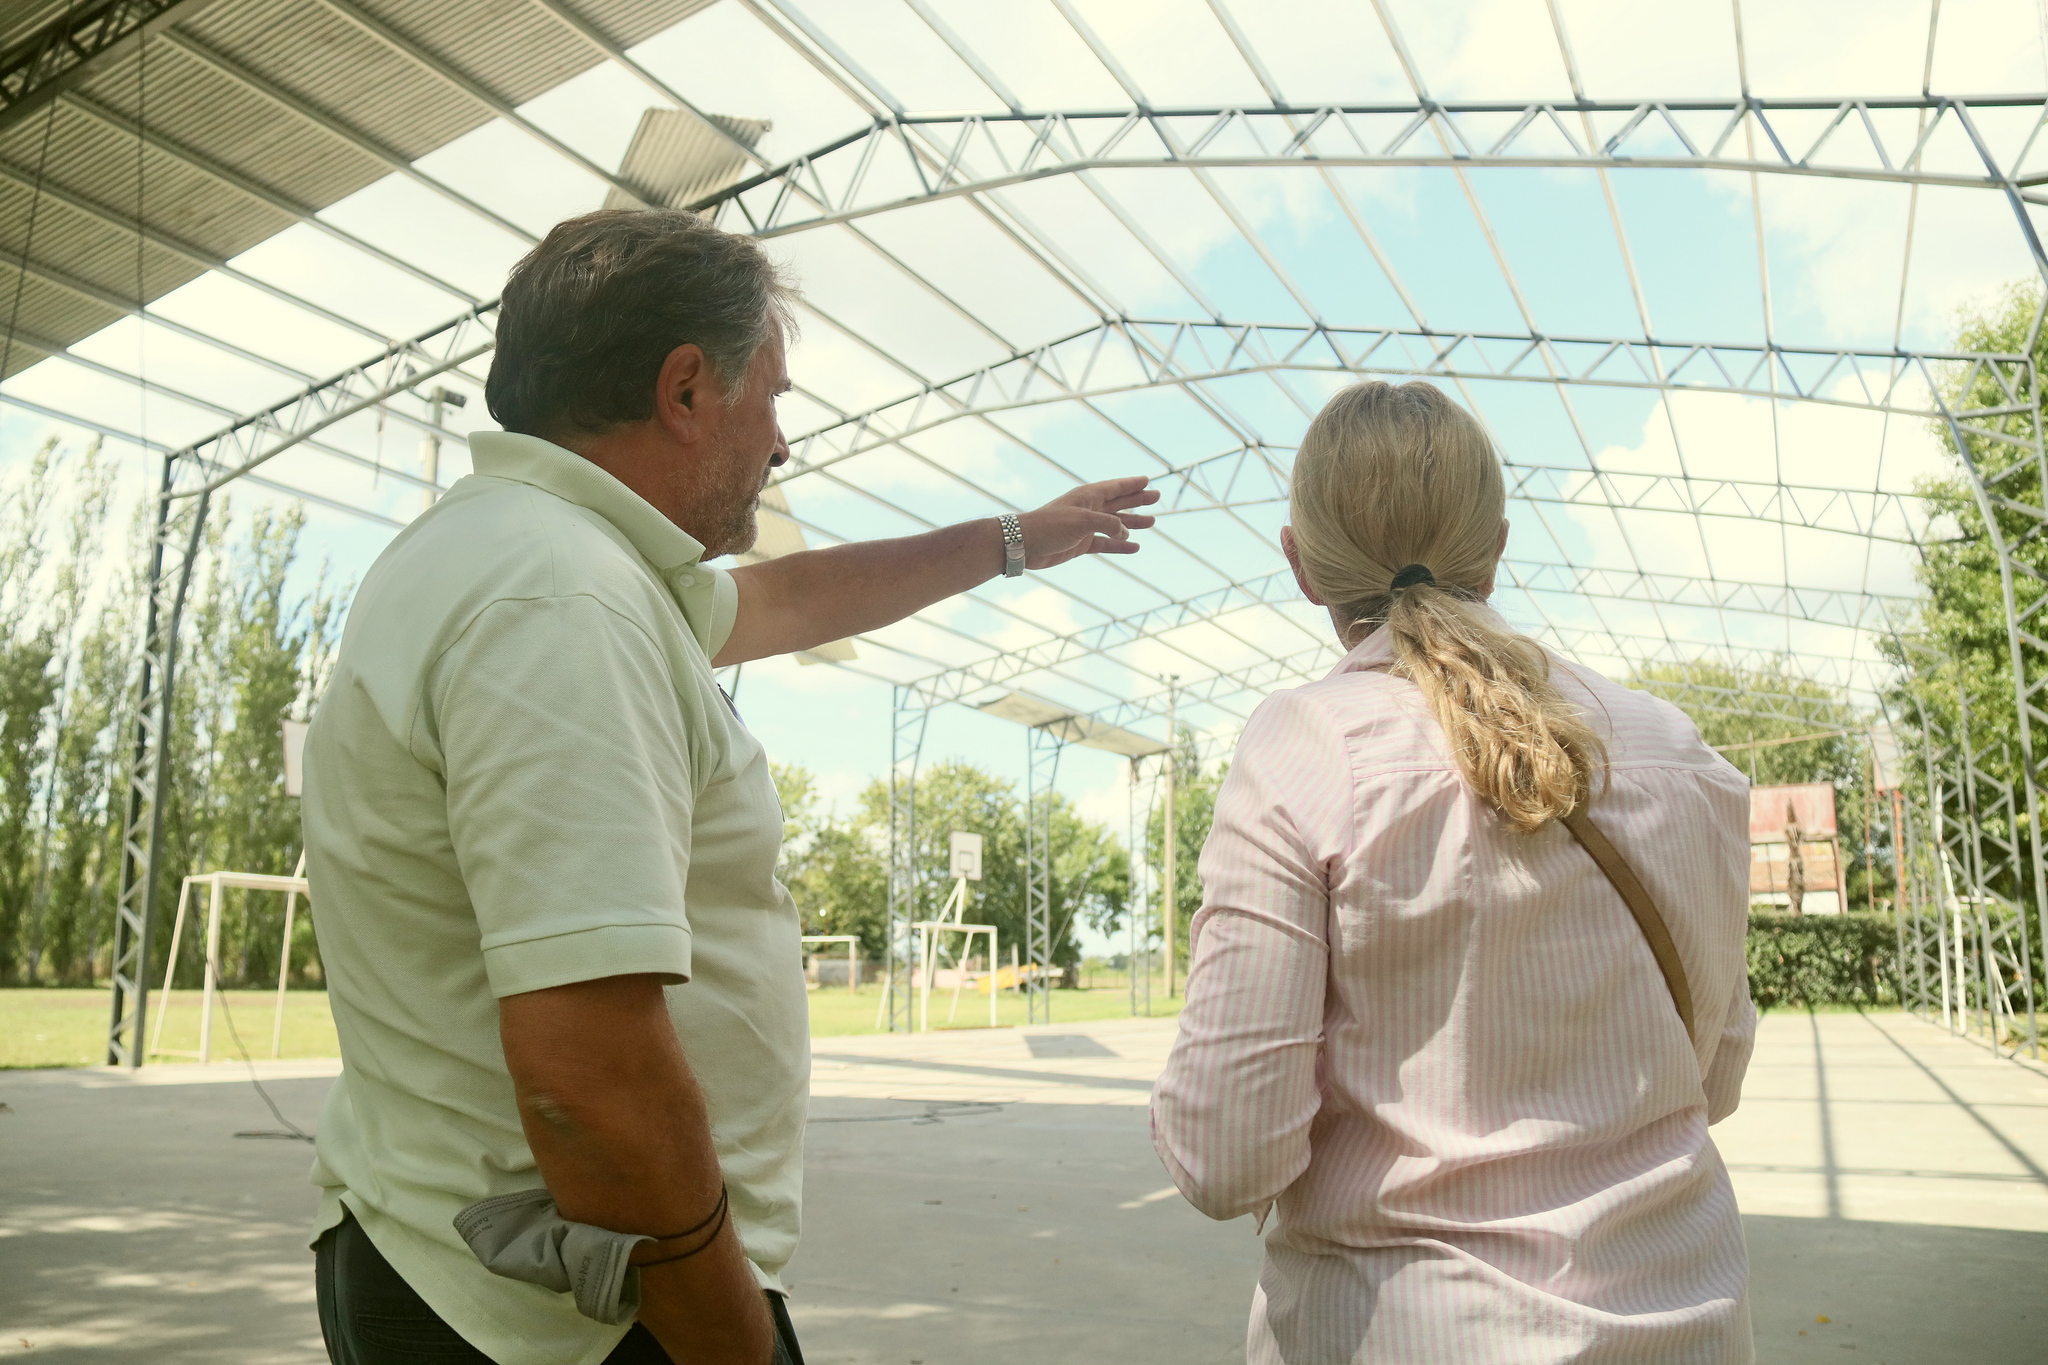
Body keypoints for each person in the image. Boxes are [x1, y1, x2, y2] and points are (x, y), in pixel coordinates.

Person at [301, 207, 1158, 1365]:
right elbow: (585, 1074)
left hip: (484, 1271)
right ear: (687, 388)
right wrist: (732, 1337)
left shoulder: (531, 552)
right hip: (574, 1312)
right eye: (776, 399)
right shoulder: (563, 603)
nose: (783, 444)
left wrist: (1012, 540)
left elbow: (788, 602)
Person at [1151, 380, 1755, 1365]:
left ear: (1299, 563)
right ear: (1496, 546)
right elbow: (1712, 1074)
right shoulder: (1676, 752)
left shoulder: (1303, 746)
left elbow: (1226, 1157)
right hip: (1690, 1322)